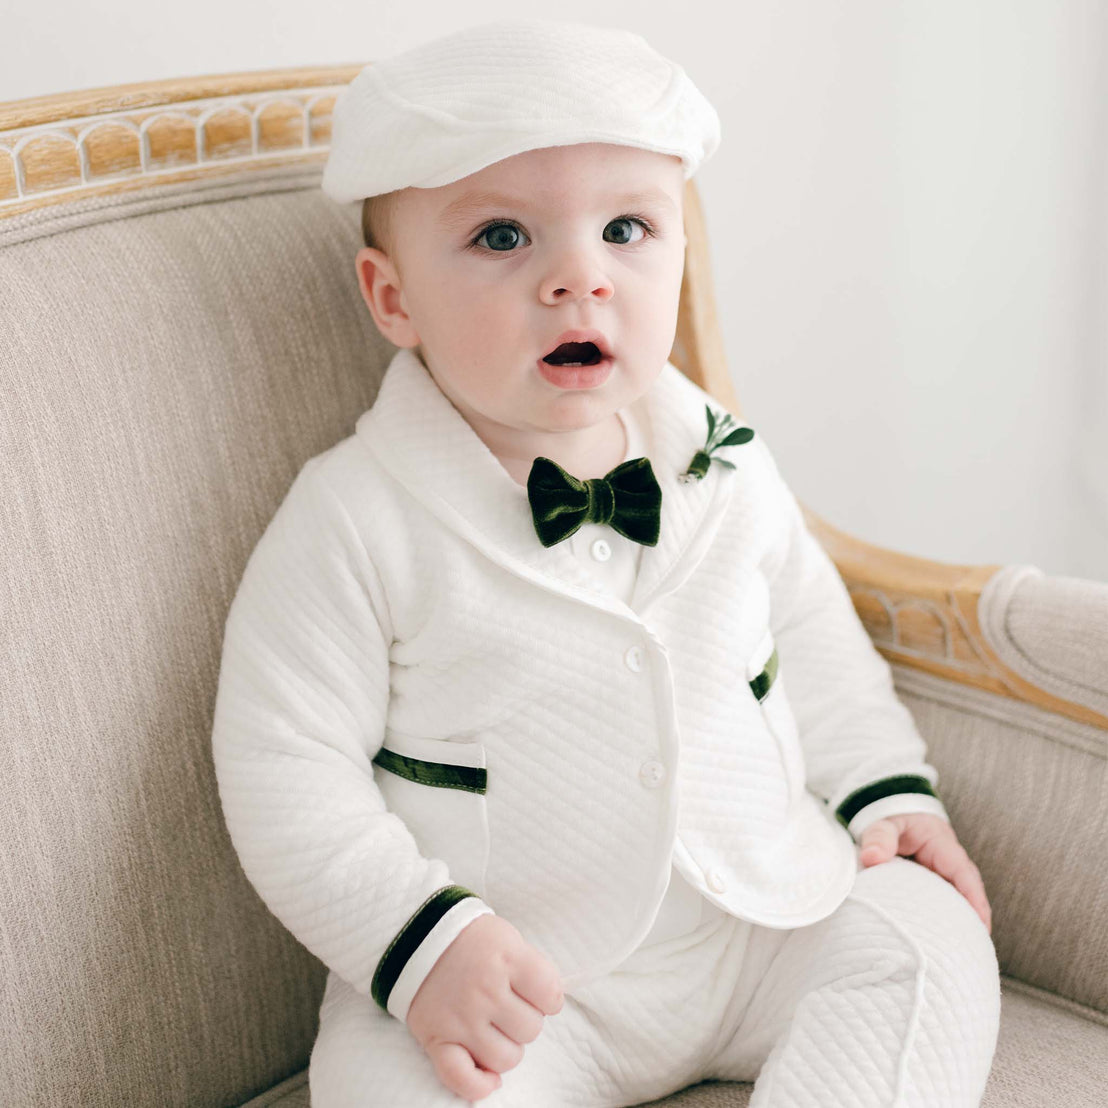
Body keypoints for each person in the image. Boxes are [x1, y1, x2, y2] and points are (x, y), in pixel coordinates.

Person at [210, 18, 1001, 1107]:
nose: (579, 279)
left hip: (760, 919)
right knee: (383, 1085)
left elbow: (814, 635)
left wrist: (881, 791)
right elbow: (282, 768)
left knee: (928, 935)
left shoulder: (721, 458)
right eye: (501, 238)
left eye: (626, 228)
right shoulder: (354, 520)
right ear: (391, 297)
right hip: (518, 990)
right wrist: (420, 944)